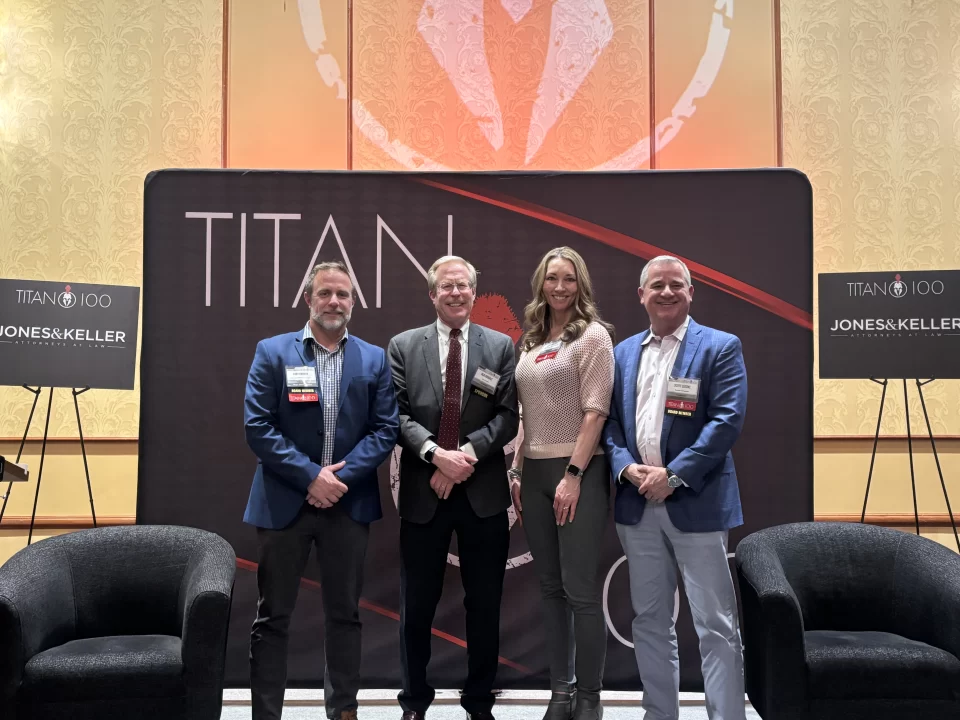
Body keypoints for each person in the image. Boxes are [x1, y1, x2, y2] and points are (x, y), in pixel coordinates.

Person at [243, 261, 400, 720]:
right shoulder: (272, 352)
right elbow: (258, 426)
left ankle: (344, 711)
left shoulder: (373, 358)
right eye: (325, 293)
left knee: (345, 615)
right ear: (308, 299)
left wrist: (338, 480)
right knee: (272, 617)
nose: (334, 302)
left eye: (343, 294)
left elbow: (385, 429)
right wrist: (310, 476)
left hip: (347, 506)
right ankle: (265, 714)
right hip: (283, 502)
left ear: (353, 302)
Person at [602, 255, 748, 720]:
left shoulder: (720, 347)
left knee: (715, 624)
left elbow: (726, 421)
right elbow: (610, 425)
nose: (667, 292)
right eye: (657, 285)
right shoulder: (623, 353)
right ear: (641, 295)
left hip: (696, 503)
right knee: (649, 620)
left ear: (691, 292)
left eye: (676, 285)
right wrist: (626, 468)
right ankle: (659, 714)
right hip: (637, 503)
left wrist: (674, 475)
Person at [387, 255, 519, 720]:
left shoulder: (500, 346)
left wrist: (462, 455)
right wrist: (435, 455)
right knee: (417, 605)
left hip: (482, 494)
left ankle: (479, 702)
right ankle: (413, 702)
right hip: (424, 493)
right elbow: (396, 414)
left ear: (474, 293)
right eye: (447, 286)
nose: (456, 293)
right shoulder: (403, 346)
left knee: (484, 605)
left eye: (463, 285)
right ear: (432, 294)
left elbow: (507, 417)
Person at [509, 246, 615, 720]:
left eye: (568, 279)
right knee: (550, 588)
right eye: (552, 278)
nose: (559, 287)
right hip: (533, 474)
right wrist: (516, 469)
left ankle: (590, 698)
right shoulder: (531, 340)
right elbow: (524, 415)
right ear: (541, 284)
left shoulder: (593, 336)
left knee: (580, 591)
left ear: (581, 284)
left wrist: (573, 475)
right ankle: (561, 693)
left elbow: (595, 413)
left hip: (578, 472)